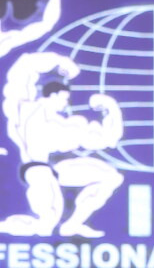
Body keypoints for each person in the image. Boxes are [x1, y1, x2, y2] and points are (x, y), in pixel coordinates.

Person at [0, 51, 123, 237]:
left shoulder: (65, 126)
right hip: (38, 171)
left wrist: (111, 109)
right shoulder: (25, 110)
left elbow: (107, 139)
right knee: (46, 224)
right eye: (64, 99)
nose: (65, 104)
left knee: (111, 177)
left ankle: (73, 224)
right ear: (53, 95)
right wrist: (59, 61)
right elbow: (23, 69)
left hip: (57, 170)